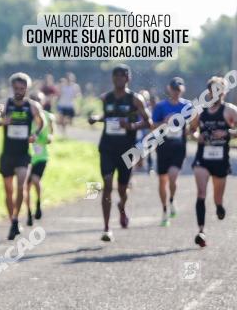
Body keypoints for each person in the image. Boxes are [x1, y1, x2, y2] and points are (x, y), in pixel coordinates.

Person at [87, 65, 151, 242]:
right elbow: (107, 117)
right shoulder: (106, 98)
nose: (118, 80)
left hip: (127, 149)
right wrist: (96, 119)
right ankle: (107, 228)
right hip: (107, 147)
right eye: (116, 77)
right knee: (107, 184)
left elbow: (149, 122)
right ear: (112, 78)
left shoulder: (135, 99)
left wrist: (132, 126)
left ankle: (122, 206)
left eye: (122, 77)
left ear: (128, 79)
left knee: (122, 188)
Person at [0, 73, 46, 240]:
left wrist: (35, 134)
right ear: (11, 87)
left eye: (22, 88)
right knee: (8, 191)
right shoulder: (2, 104)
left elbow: (41, 122)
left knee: (21, 185)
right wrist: (2, 122)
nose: (19, 91)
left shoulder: (33, 106)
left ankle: (16, 217)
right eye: (16, 88)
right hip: (7, 154)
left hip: (23, 155)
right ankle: (13, 220)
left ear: (27, 89)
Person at [188, 76, 237, 248]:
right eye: (213, 90)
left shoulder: (230, 111)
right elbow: (191, 130)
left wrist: (228, 134)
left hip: (220, 159)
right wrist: (197, 136)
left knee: (217, 196)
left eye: (219, 90)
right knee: (201, 193)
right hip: (203, 158)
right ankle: (201, 231)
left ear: (224, 92)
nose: (216, 93)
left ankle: (219, 205)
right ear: (208, 92)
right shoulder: (201, 110)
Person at [151, 77, 191, 226]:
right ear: (169, 89)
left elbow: (193, 125)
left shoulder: (187, 106)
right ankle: (164, 210)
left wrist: (189, 129)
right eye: (174, 90)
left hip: (179, 146)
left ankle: (172, 200)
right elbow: (153, 125)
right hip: (163, 146)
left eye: (178, 90)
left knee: (173, 177)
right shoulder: (161, 106)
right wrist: (164, 122)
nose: (176, 93)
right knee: (162, 180)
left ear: (182, 90)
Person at [26, 91, 54, 226]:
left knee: (35, 180)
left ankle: (38, 202)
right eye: (34, 99)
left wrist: (49, 138)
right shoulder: (27, 116)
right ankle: (29, 212)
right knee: (25, 186)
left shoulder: (48, 117)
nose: (36, 101)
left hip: (42, 156)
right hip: (27, 155)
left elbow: (52, 135)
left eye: (39, 99)